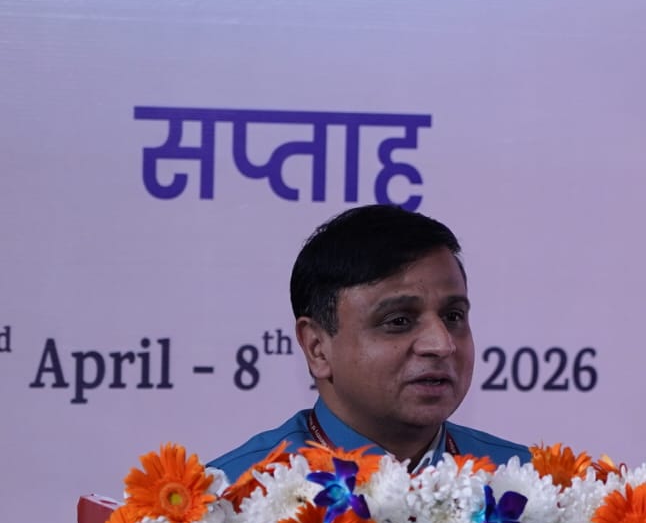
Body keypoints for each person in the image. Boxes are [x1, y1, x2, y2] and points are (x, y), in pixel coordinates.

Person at [211, 205, 528, 479]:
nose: (442, 344)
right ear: (317, 348)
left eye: (453, 316)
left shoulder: (526, 485)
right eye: (398, 321)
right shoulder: (228, 502)